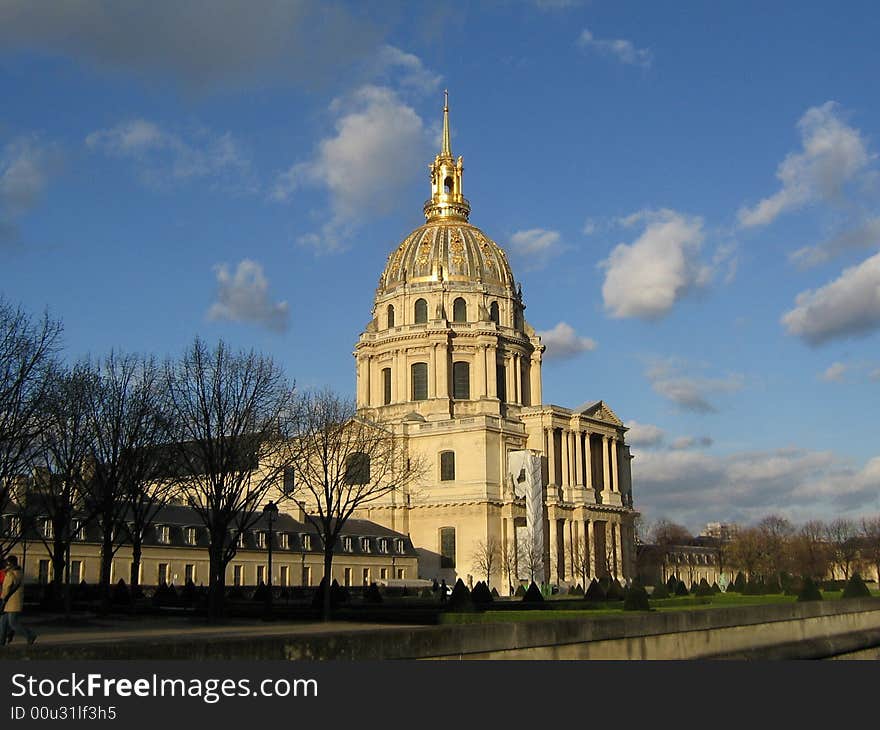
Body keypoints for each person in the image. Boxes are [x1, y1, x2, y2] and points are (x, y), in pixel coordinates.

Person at [0, 556, 36, 646]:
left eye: (7, 564)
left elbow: (6, 588)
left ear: (10, 564)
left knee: (12, 623)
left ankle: (30, 635)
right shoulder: (19, 573)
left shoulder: (10, 574)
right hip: (14, 602)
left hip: (10, 602)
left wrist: (2, 598)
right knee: (3, 622)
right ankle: (1, 641)